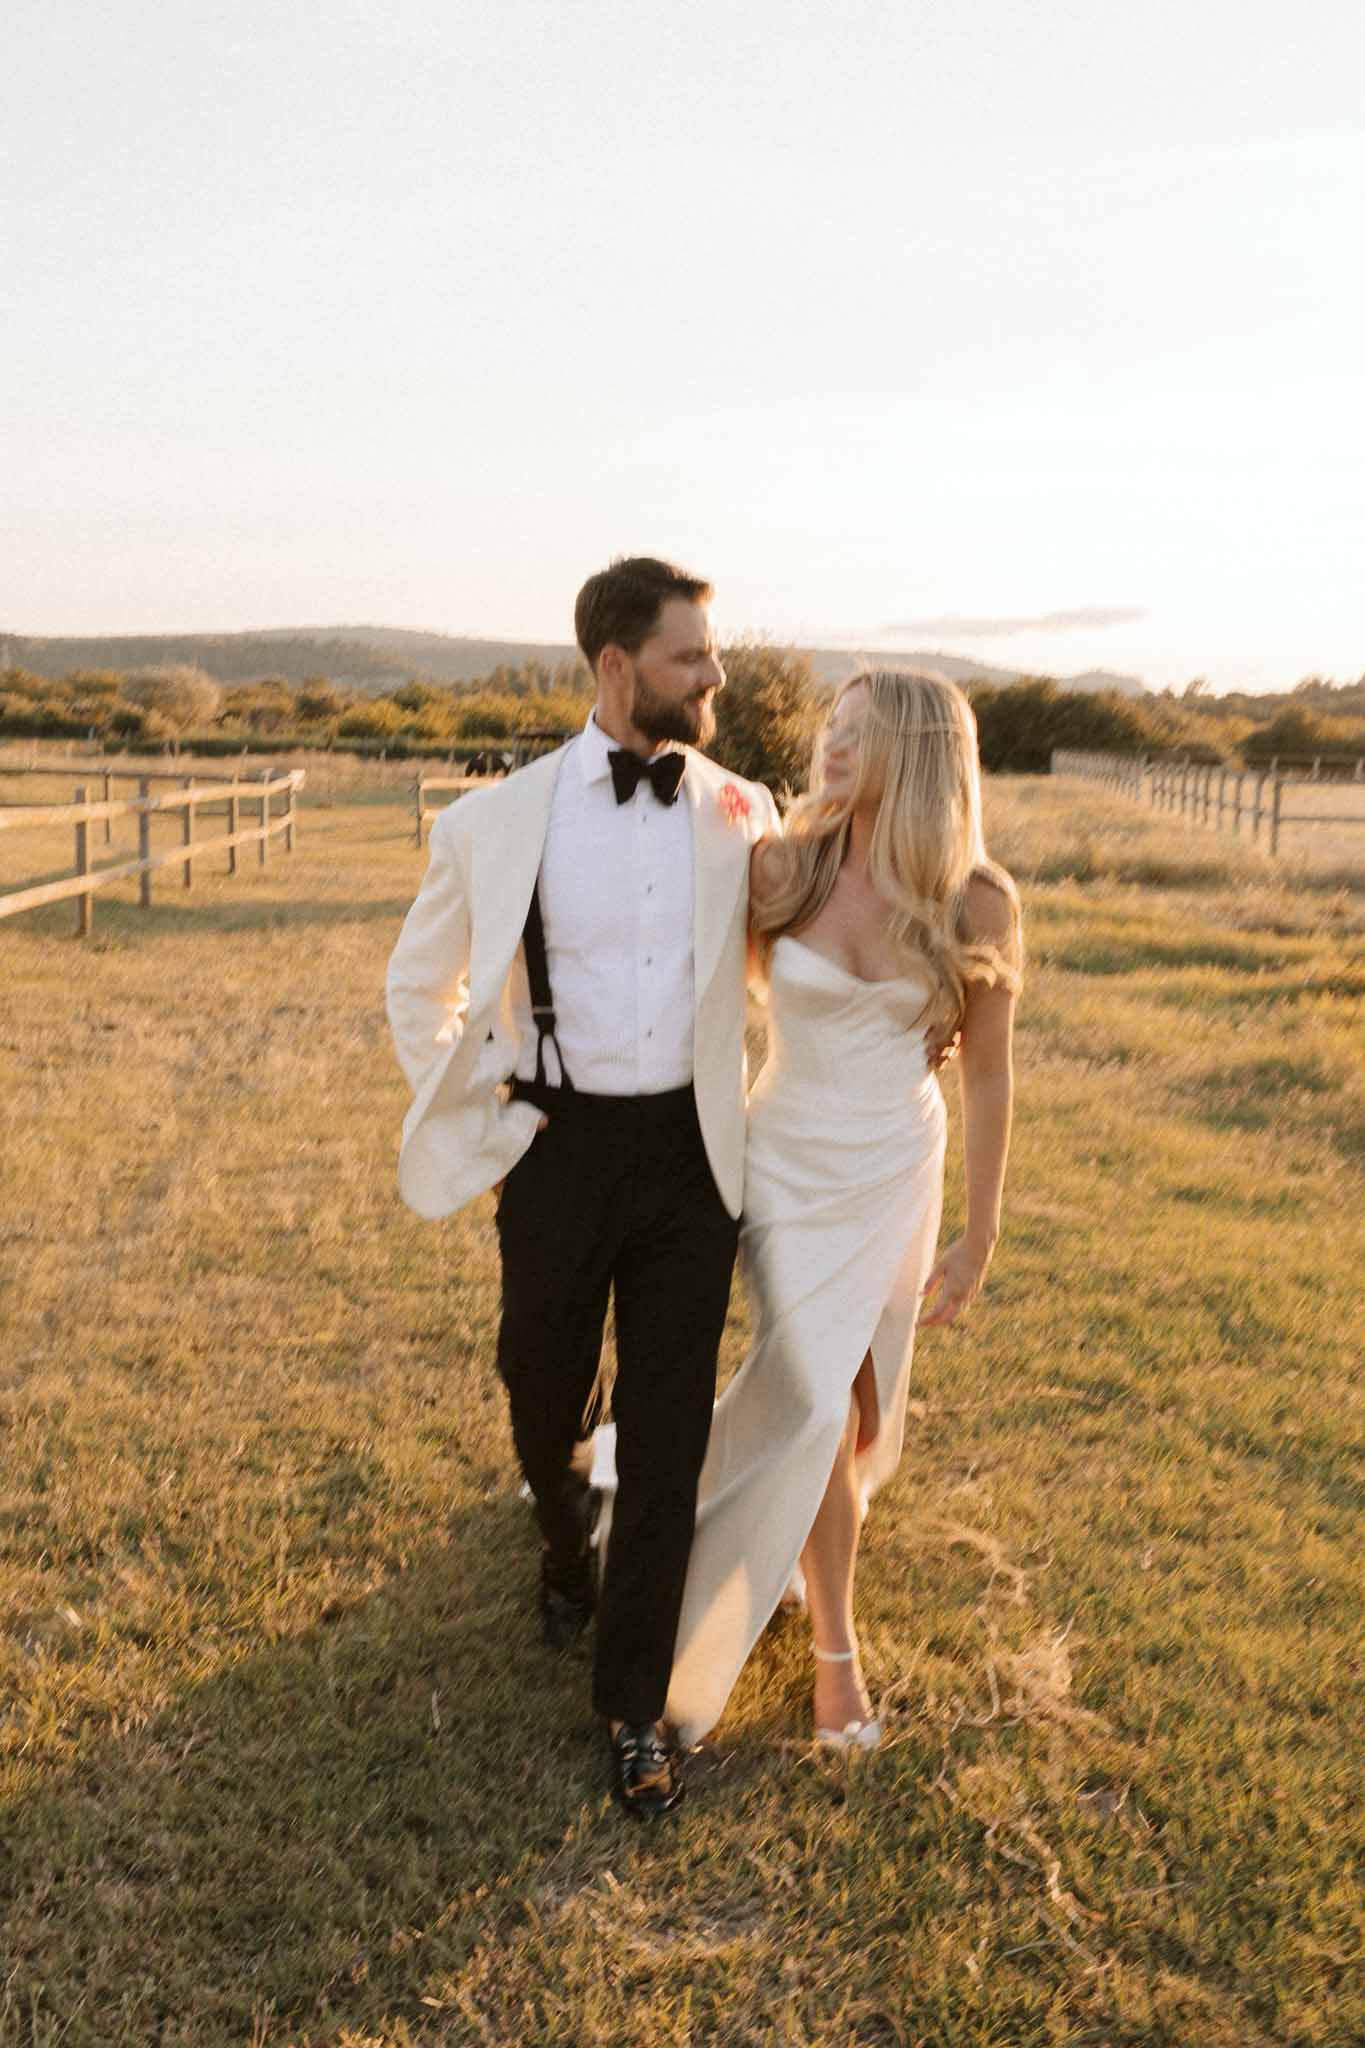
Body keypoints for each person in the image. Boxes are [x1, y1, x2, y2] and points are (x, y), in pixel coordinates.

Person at [384, 557, 779, 1817]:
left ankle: (634, 1707)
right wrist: (492, 1102)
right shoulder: (499, 818)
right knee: (539, 1382)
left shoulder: (744, 809)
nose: (717, 674)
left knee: (668, 1438)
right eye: (690, 655)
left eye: (711, 651)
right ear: (616, 667)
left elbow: (801, 956)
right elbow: (420, 984)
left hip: (692, 1156)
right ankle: (561, 1534)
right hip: (559, 1147)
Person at [597, 669, 1020, 1750]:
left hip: (895, 1167)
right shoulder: (784, 863)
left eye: (857, 733)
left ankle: (787, 1521)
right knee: (821, 1403)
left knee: (859, 1410)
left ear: (917, 754)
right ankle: (838, 1655)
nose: (828, 746)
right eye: (829, 726)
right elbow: (683, 966)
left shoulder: (978, 900)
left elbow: (985, 1075)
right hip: (785, 1166)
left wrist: (979, 1233)